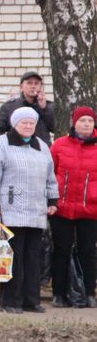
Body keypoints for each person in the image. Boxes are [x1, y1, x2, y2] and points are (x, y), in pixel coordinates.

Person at [0, 107, 59, 313]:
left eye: (31, 123)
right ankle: (9, 301)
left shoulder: (41, 145)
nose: (28, 126)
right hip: (11, 209)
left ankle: (31, 300)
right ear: (15, 124)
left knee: (33, 258)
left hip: (36, 210)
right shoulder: (2, 143)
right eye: (24, 122)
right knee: (13, 258)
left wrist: (53, 200)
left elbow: (50, 176)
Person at [49, 106, 97, 308]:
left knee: (88, 251)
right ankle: (58, 293)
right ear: (73, 122)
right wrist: (51, 200)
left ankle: (89, 292)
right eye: (82, 120)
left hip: (90, 208)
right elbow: (49, 174)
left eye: (90, 120)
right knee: (61, 250)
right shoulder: (59, 145)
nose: (86, 124)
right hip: (62, 207)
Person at [0, 71, 55, 145]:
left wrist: (44, 109)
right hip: (17, 150)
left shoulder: (48, 106)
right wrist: (9, 145)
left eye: (36, 83)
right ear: (21, 87)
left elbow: (56, 129)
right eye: (29, 83)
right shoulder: (9, 107)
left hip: (41, 150)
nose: (33, 86)